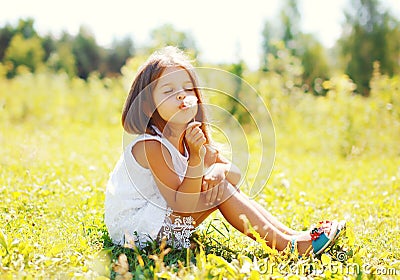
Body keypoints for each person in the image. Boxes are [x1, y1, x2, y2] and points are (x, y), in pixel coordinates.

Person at [104, 46, 345, 256]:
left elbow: (235, 175)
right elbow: (182, 206)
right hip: (136, 232)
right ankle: (288, 246)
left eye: (188, 89)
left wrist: (218, 170)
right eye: (168, 91)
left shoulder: (191, 137)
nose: (181, 95)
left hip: (163, 222)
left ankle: (293, 236)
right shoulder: (152, 146)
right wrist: (197, 160)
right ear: (147, 104)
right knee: (219, 191)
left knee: (221, 187)